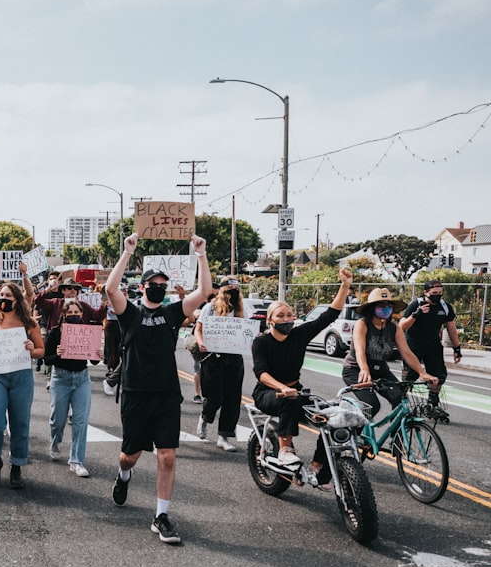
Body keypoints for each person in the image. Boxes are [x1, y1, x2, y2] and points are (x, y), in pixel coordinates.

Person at [104, 233, 212, 545]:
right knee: (130, 455)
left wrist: (200, 254)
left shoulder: (172, 312)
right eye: (154, 282)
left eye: (163, 283)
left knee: (167, 456)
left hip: (166, 394)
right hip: (136, 394)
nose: (159, 286)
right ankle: (123, 475)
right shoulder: (131, 313)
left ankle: (161, 516)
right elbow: (111, 289)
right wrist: (127, 253)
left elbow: (204, 291)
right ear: (142, 287)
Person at [251, 268, 353, 486]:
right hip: (268, 393)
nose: (286, 319)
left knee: (331, 415)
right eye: (280, 315)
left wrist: (344, 286)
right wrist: (281, 388)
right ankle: (285, 450)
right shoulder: (261, 341)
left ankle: (317, 465)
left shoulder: (299, 335)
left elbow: (329, 315)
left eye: (289, 315)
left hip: (295, 390)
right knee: (289, 399)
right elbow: (261, 373)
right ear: (270, 320)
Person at [0, 282, 45, 489]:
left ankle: (17, 465)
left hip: (21, 377)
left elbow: (41, 350)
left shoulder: (28, 323)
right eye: (1, 295)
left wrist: (32, 349)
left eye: (8, 296)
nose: (3, 298)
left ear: (17, 300)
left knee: (20, 423)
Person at [343, 289, 437, 418]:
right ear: (372, 308)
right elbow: (360, 350)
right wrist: (364, 369)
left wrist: (422, 372)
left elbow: (406, 352)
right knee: (372, 405)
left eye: (389, 306)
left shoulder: (393, 327)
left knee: (400, 399)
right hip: (356, 369)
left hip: (380, 370)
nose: (386, 309)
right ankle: (355, 433)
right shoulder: (362, 324)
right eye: (381, 305)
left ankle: (397, 436)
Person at [44, 298, 101, 478]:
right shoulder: (55, 333)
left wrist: (98, 354)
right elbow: (46, 359)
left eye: (77, 313)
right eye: (70, 313)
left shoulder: (86, 332)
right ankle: (55, 441)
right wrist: (57, 354)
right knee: (57, 420)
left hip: (82, 379)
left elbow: (93, 360)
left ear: (82, 314)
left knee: (80, 421)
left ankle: (76, 460)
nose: (74, 316)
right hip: (60, 378)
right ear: (64, 315)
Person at [193, 278, 247, 452]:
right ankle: (205, 417)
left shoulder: (241, 309)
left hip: (233, 358)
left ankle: (224, 436)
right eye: (229, 288)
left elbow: (247, 330)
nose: (233, 291)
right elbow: (198, 329)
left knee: (232, 398)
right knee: (214, 396)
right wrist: (200, 342)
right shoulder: (210, 308)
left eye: (236, 288)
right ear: (222, 290)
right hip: (213, 357)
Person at [399, 280, 462, 421]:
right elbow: (402, 326)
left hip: (433, 345)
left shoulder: (445, 307)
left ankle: (432, 404)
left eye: (440, 293)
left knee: (439, 376)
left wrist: (456, 348)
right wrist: (416, 314)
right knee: (409, 377)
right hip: (413, 345)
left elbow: (451, 328)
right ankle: (400, 404)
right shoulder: (417, 304)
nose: (437, 296)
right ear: (426, 292)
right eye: (434, 293)